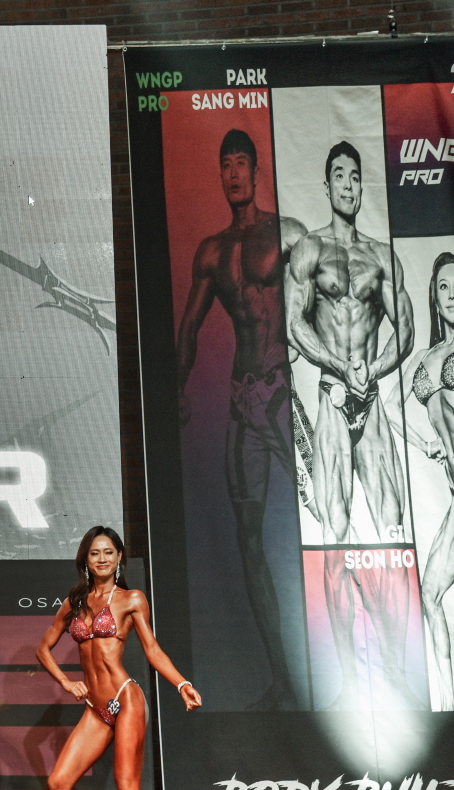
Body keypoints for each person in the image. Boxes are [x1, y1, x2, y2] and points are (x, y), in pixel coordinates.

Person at [175, 129, 307, 710]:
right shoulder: (211, 251)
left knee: (331, 520)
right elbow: (189, 328)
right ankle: (282, 681)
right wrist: (176, 387)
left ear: (256, 171)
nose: (233, 174)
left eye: (240, 163)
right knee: (246, 537)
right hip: (241, 401)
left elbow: (327, 296)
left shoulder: (286, 234)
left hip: (283, 394)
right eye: (224, 164)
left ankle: (356, 675)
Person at [285, 141, 416, 709]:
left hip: (372, 397)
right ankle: (346, 679)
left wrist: (375, 369)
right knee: (335, 540)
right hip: (335, 399)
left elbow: (405, 327)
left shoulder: (380, 256)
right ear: (327, 185)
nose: (347, 184)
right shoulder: (309, 250)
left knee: (393, 531)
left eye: (355, 176)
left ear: (362, 186)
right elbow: (293, 324)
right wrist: (341, 368)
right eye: (338, 175)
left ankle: (397, 672)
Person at [35, 526, 201, 790]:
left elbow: (152, 648)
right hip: (96, 708)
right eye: (95, 553)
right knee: (59, 782)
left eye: (108, 552)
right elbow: (43, 648)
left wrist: (181, 683)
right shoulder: (75, 602)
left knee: (127, 789)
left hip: (125, 700)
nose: (102, 559)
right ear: (85, 559)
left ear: (119, 557)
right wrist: (66, 682)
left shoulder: (131, 599)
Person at [396, 252, 454, 709]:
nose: (451, 294)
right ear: (434, 296)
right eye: (443, 286)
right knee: (429, 593)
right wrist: (427, 444)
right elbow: (388, 407)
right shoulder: (427, 357)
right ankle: (449, 702)